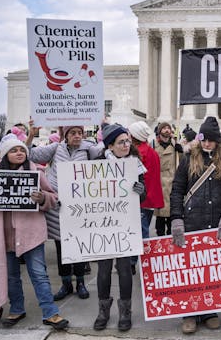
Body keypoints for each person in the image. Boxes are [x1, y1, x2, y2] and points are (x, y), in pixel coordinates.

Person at [0, 134, 69, 331]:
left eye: (22, 149)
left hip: (31, 235)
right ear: (5, 155)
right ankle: (17, 309)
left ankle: (50, 312)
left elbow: (54, 198)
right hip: (2, 236)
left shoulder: (35, 173)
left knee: (39, 274)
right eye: (14, 150)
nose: (19, 153)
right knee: (11, 275)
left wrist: (41, 199)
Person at [169, 116, 221, 334]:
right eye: (204, 139)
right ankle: (190, 312)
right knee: (191, 269)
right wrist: (176, 218)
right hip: (192, 220)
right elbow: (177, 190)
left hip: (217, 221)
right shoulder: (188, 158)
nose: (207, 143)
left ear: (218, 141)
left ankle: (209, 310)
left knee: (212, 271)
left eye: (211, 140)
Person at [27, 122, 100, 301]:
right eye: (73, 133)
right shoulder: (55, 148)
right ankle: (66, 284)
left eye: (79, 132)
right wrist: (31, 135)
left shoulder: (89, 149)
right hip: (58, 208)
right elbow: (30, 154)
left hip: (80, 208)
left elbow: (107, 157)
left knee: (80, 247)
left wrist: (103, 126)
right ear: (65, 135)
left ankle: (80, 283)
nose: (77, 136)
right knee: (61, 248)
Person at [92, 124, 146, 331]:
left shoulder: (135, 164)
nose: (126, 145)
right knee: (104, 270)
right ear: (110, 145)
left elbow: (142, 196)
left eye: (128, 141)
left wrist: (141, 190)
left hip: (125, 224)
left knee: (124, 270)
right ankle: (103, 310)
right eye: (121, 142)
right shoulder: (97, 164)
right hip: (103, 225)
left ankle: (125, 312)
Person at [127, 121, 164, 274]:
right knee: (143, 230)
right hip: (149, 199)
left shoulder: (139, 153)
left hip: (142, 200)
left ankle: (141, 262)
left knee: (141, 233)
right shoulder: (151, 151)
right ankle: (136, 261)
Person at [154, 121, 183, 236]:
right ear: (159, 131)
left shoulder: (175, 146)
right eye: (164, 128)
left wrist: (180, 151)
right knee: (160, 219)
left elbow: (181, 163)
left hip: (172, 182)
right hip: (159, 184)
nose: (167, 130)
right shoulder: (154, 146)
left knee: (172, 216)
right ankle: (160, 239)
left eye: (168, 128)